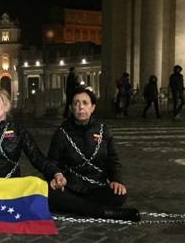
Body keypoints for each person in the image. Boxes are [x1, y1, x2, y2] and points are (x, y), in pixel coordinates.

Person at [46, 86, 140, 221]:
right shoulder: (61, 133)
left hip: (97, 186)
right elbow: (51, 162)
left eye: (85, 103)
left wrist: (116, 180)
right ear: (71, 108)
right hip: (70, 187)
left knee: (119, 194)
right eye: (76, 103)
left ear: (92, 107)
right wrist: (57, 175)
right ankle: (105, 212)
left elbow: (113, 160)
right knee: (50, 194)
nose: (80, 107)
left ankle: (82, 208)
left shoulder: (103, 130)